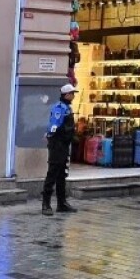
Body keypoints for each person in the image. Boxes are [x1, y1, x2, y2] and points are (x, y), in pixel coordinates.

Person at [41, 84, 77, 215]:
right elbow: (54, 126)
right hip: (57, 145)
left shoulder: (67, 108)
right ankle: (46, 204)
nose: (73, 96)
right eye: (72, 93)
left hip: (64, 145)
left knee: (62, 174)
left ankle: (62, 203)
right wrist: (51, 135)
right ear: (67, 95)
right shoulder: (59, 108)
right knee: (52, 173)